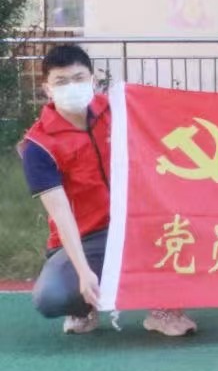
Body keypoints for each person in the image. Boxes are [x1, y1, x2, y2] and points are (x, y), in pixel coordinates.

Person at [21, 44, 197, 337]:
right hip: (88, 236)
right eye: (61, 81)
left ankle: (164, 308)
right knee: (52, 296)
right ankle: (83, 306)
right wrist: (82, 271)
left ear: (92, 79)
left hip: (140, 221)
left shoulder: (120, 111)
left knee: (203, 230)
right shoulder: (38, 145)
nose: (72, 87)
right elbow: (61, 214)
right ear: (47, 89)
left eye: (79, 78)